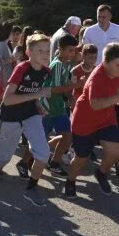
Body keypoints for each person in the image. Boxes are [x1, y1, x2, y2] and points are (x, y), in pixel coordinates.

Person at [0, 33, 53, 206]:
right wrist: (36, 94)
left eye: (47, 50)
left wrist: (38, 104)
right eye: (40, 51)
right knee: (5, 157)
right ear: (29, 52)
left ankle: (31, 188)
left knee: (43, 154)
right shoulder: (22, 68)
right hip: (10, 116)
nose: (46, 54)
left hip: (31, 115)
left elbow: (33, 94)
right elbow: (7, 100)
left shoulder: (46, 72)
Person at [64, 43, 119, 197]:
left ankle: (101, 173)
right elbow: (95, 104)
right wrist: (118, 97)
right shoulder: (96, 77)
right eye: (117, 65)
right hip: (84, 121)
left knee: (115, 151)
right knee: (81, 158)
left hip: (106, 119)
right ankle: (70, 181)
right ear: (105, 63)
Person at [41, 34, 79, 176]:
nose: (72, 53)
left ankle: (54, 163)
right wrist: (76, 85)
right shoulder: (56, 65)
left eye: (74, 50)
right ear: (60, 49)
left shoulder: (67, 63)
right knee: (39, 138)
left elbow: (65, 86)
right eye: (69, 50)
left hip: (59, 107)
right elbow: (54, 89)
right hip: (47, 107)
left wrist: (71, 97)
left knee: (67, 137)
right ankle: (25, 162)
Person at [0, 22, 20, 86]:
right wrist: (11, 60)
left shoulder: (5, 44)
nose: (13, 34)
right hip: (3, 79)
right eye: (12, 32)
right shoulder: (1, 44)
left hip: (7, 77)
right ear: (8, 32)